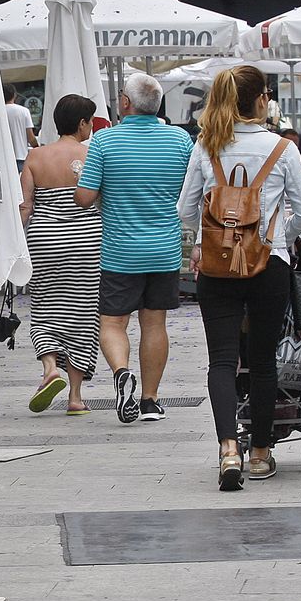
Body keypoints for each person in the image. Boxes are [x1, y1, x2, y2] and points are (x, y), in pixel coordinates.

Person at [180, 66, 301, 490]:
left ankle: (227, 448)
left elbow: (186, 210)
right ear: (262, 100)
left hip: (217, 266)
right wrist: (276, 236)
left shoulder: (207, 145)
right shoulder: (282, 149)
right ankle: (260, 452)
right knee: (261, 361)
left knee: (221, 360)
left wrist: (208, 238)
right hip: (268, 264)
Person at [75, 72, 194, 424]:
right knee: (154, 324)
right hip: (165, 249)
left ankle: (122, 372)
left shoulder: (104, 142)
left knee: (112, 323)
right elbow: (192, 191)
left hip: (119, 252)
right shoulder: (180, 140)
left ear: (125, 103)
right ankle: (150, 400)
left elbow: (84, 198)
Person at [21, 94, 102, 416]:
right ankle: (76, 397)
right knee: (83, 314)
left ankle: (50, 367)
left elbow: (25, 206)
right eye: (91, 122)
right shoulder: (92, 154)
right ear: (82, 123)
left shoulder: (34, 156)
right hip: (87, 242)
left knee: (44, 308)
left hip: (44, 241)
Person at [3, 83, 36, 173]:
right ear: (15, 95)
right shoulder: (24, 111)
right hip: (21, 156)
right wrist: (37, 148)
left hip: (3, 158)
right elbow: (31, 137)